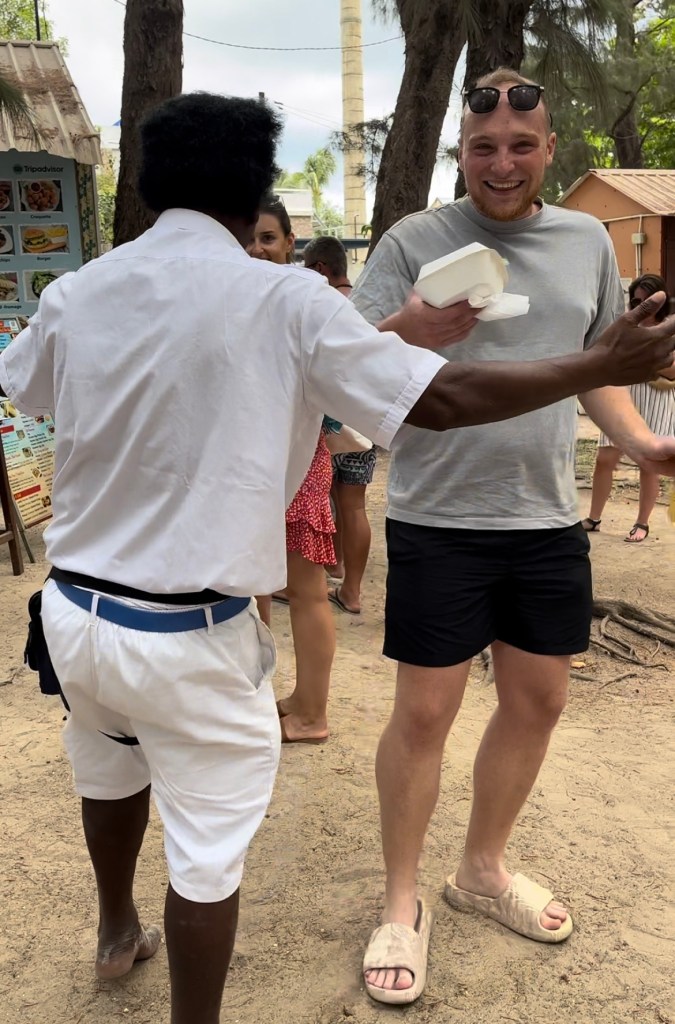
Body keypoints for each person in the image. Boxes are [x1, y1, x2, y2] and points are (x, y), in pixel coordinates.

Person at [1, 92, 674, 1024]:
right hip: (191, 632)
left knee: (107, 763)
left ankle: (117, 930)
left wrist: (390, 335)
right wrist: (594, 365)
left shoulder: (81, 290)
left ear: (151, 186)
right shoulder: (282, 296)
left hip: (76, 614)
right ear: (255, 195)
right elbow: (441, 401)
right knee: (205, 855)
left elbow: (30, 387)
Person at [351, 67, 675, 1005]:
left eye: (521, 146)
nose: (501, 164)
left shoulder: (582, 240)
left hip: (543, 518)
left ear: (549, 151)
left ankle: (481, 868)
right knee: (424, 715)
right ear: (460, 152)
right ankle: (401, 900)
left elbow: (595, 370)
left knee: (537, 702)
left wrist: (644, 445)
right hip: (437, 517)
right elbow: (352, 361)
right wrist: (409, 326)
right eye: (482, 147)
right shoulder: (414, 239)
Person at [248, 199, 336, 744]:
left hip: (296, 461)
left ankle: (311, 712)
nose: (257, 249)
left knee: (305, 590)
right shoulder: (234, 298)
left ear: (289, 245)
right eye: (248, 238)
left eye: (267, 238)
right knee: (247, 588)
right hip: (247, 464)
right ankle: (260, 699)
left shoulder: (306, 299)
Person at [303, 236, 375, 614]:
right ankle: (352, 590)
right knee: (355, 507)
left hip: (328, 427)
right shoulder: (368, 304)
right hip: (364, 425)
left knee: (325, 500)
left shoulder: (323, 307)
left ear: (320, 269)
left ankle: (330, 567)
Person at [583, 274, 675, 542]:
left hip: (657, 398)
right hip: (623, 394)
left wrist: (638, 362)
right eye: (637, 301)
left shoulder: (669, 329)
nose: (643, 306)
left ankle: (642, 523)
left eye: (649, 301)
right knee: (605, 459)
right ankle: (594, 518)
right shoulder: (623, 327)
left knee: (650, 463)